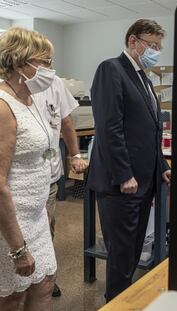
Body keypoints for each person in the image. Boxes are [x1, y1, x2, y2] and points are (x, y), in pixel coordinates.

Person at [87, 19, 171, 302]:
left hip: (143, 182)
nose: (156, 51)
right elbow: (110, 128)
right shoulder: (111, 69)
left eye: (159, 47)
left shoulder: (144, 78)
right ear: (133, 41)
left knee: (134, 252)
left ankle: (124, 302)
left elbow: (150, 132)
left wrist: (163, 167)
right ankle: (116, 304)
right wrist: (124, 174)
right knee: (121, 256)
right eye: (152, 45)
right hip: (121, 184)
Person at [0, 27, 57, 310]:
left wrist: (42, 205)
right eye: (44, 62)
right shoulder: (2, 106)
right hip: (10, 223)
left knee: (45, 284)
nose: (50, 69)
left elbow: (36, 158)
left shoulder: (29, 100)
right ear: (19, 62)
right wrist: (18, 249)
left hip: (35, 216)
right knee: (12, 296)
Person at [34, 75, 88, 297]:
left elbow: (65, 121)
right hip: (16, 179)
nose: (47, 67)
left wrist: (75, 154)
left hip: (48, 176)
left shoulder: (55, 83)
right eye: (42, 61)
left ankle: (45, 276)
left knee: (47, 228)